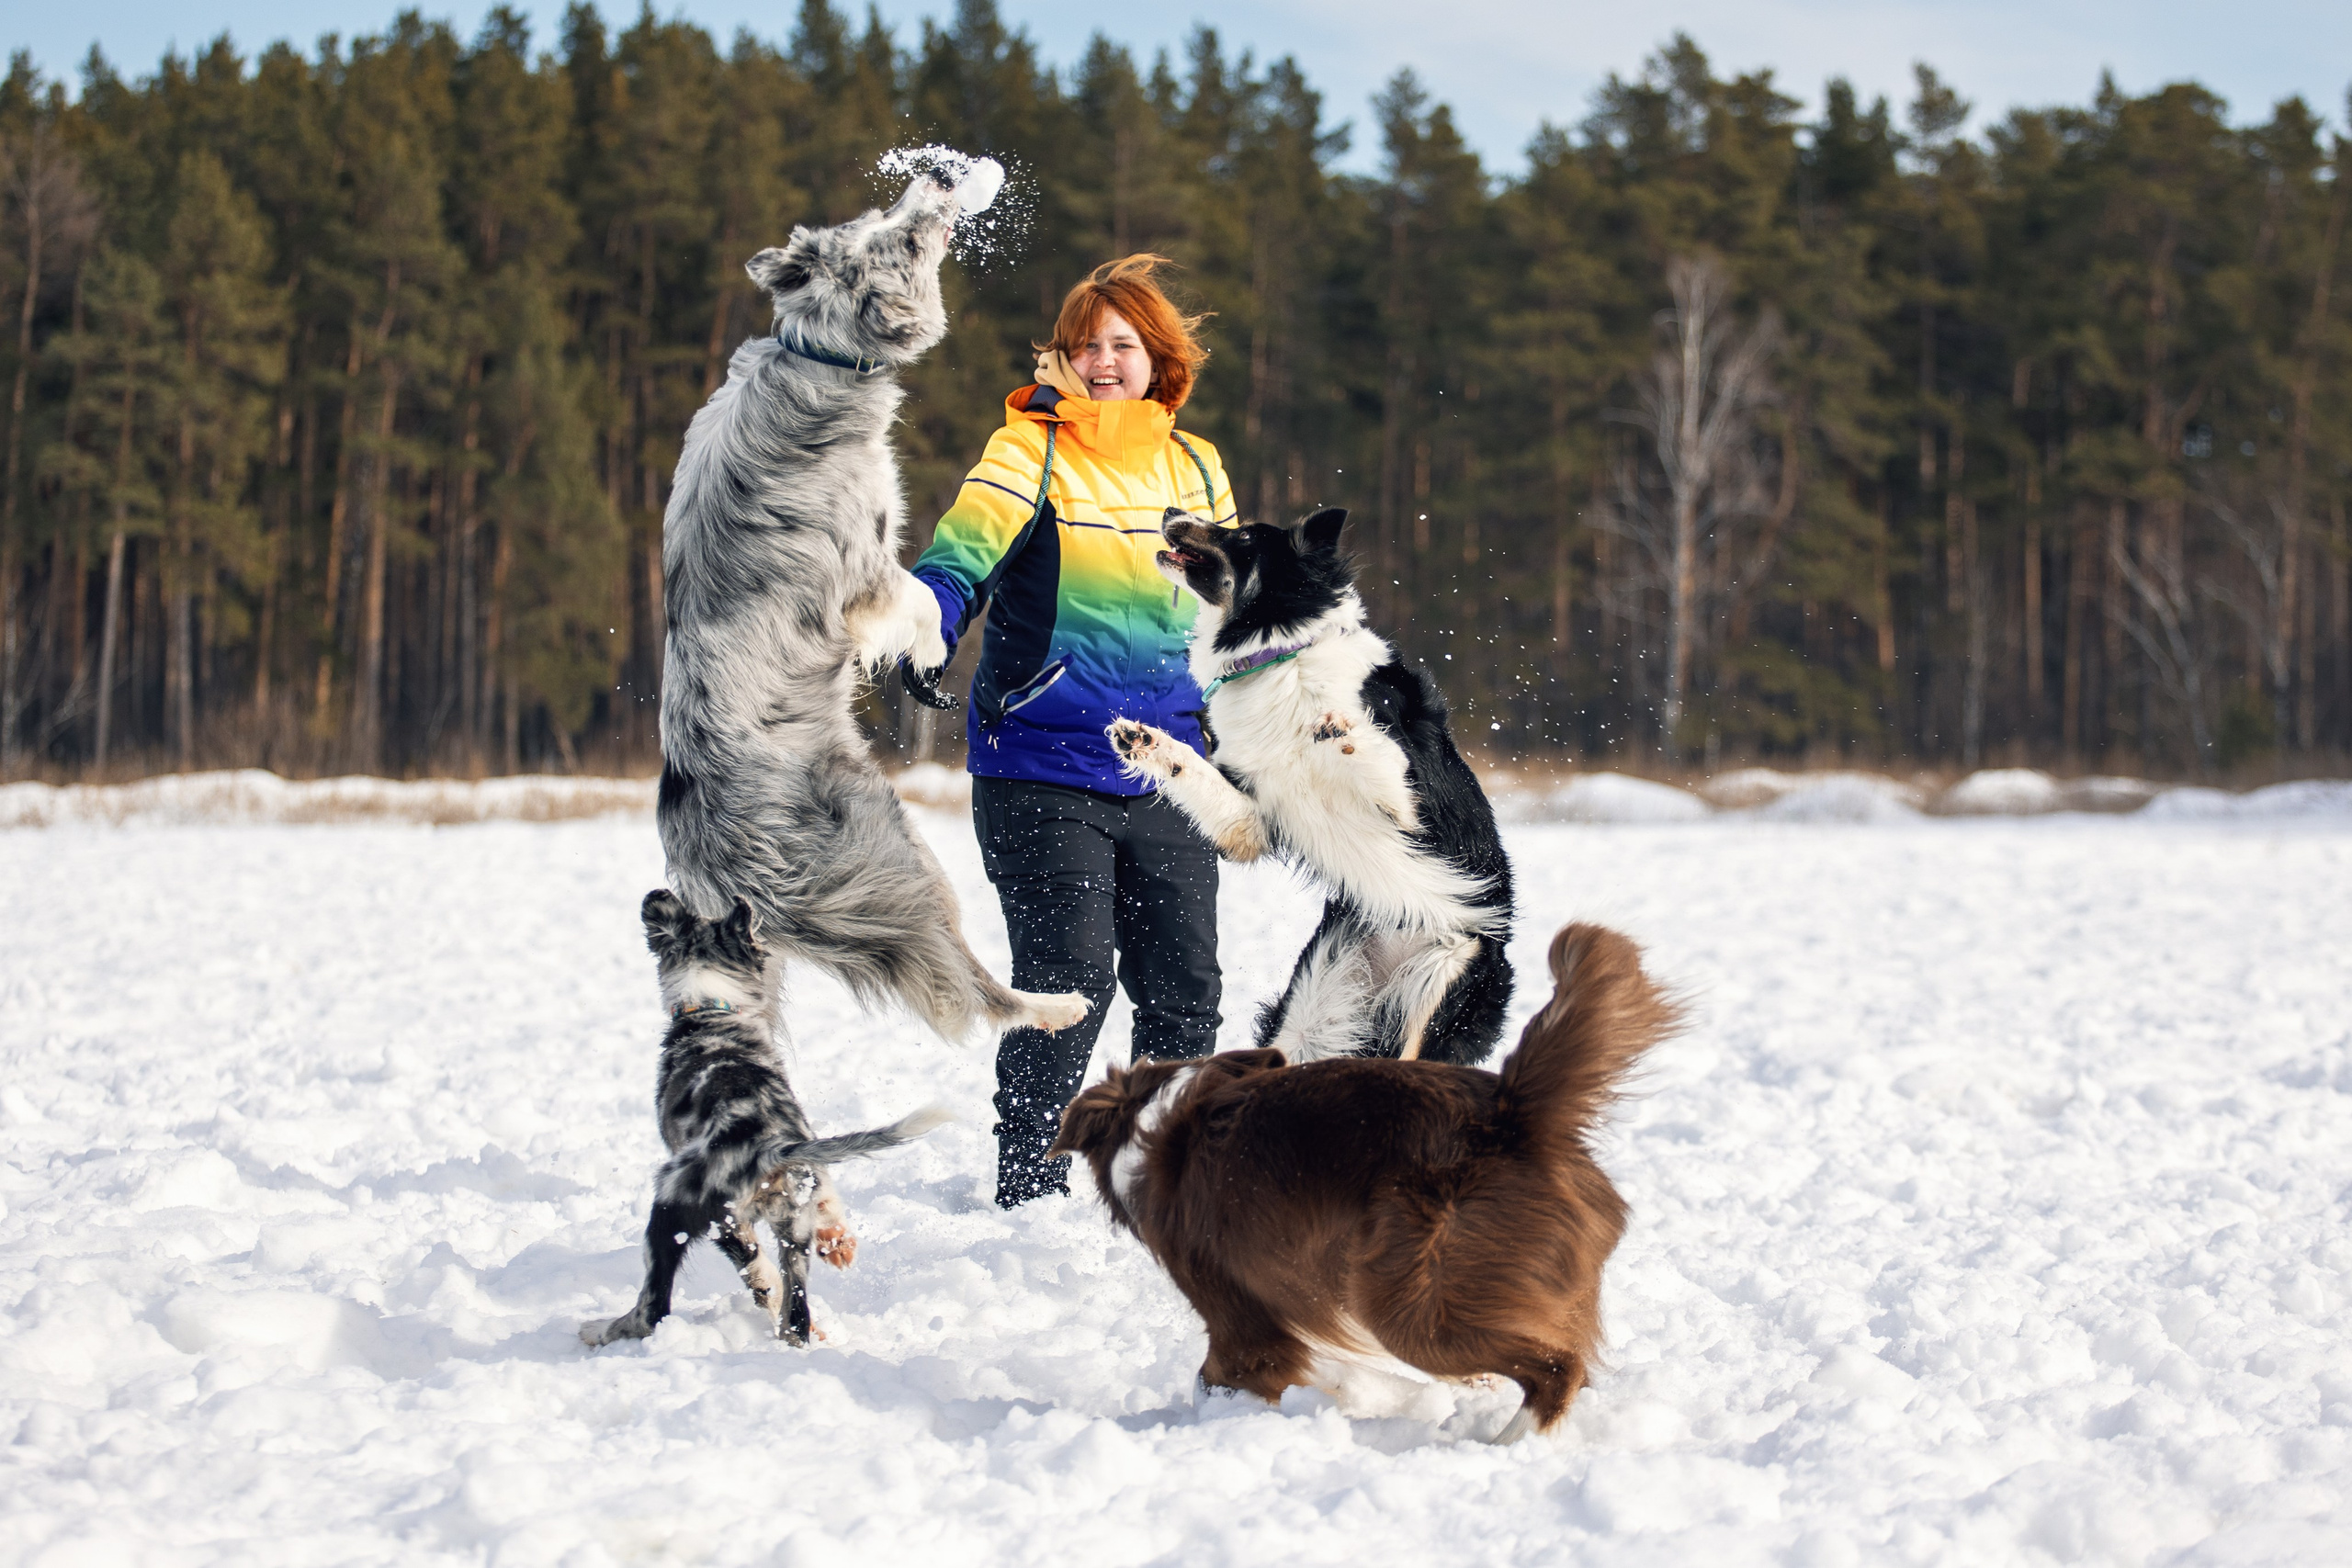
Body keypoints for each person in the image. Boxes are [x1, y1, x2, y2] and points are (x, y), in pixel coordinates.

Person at [911, 254, 1237, 1207]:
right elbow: (960, 552)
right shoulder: (1029, 450)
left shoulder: (1195, 464)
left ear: (1158, 358)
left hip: (1174, 769)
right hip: (1043, 766)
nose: (1102, 361)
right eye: (1086, 344)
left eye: (1122, 345)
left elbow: (1229, 602)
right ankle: (1031, 1181)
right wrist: (926, 622)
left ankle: (1161, 1188)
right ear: (1061, 356)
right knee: (1069, 977)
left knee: (1184, 988)